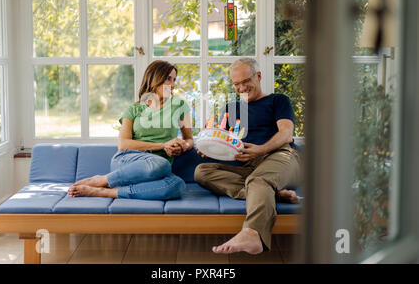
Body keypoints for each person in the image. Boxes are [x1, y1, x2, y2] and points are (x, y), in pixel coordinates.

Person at [194, 58, 302, 255]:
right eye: (236, 84)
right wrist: (206, 147)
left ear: (258, 76)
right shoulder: (231, 108)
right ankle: (271, 194)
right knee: (201, 172)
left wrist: (261, 149)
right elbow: (221, 139)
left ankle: (252, 233)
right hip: (246, 166)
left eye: (245, 81)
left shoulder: (278, 100)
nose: (241, 87)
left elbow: (286, 134)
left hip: (281, 158)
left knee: (258, 179)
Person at [68, 60, 193, 200]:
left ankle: (105, 192)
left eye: (174, 80)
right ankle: (102, 180)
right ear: (154, 78)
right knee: (161, 164)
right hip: (128, 161)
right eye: (168, 79)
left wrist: (183, 146)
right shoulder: (134, 109)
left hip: (158, 170)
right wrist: (163, 145)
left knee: (177, 185)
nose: (173, 84)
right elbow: (123, 145)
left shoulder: (180, 105)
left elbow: (189, 140)